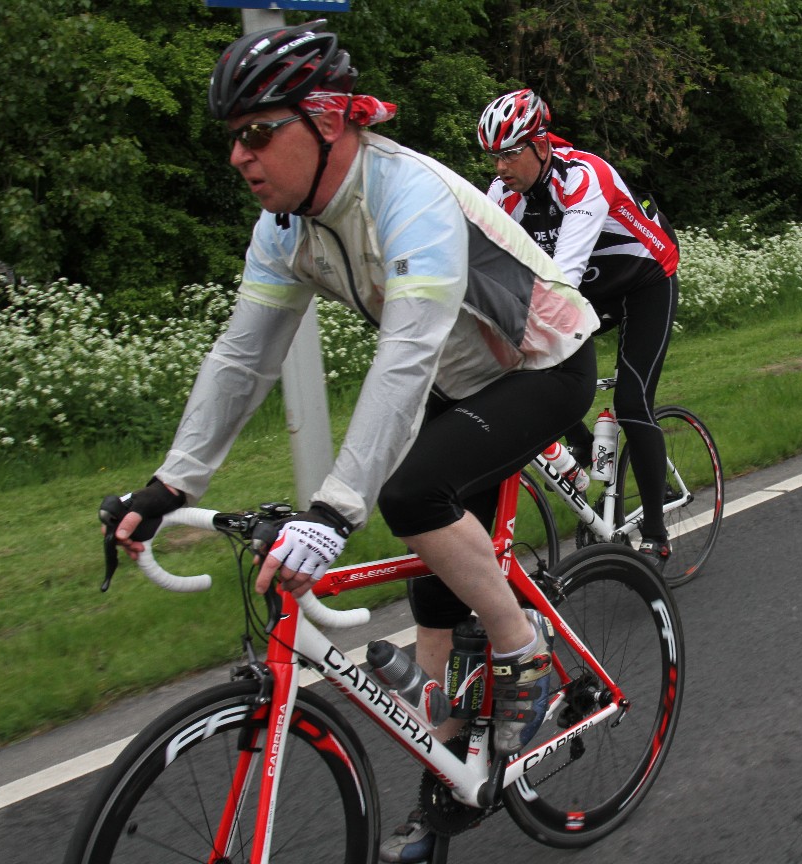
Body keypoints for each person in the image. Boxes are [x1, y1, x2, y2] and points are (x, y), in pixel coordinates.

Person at [100, 22, 599, 863]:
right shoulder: (284, 226)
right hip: (458, 381)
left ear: (328, 120)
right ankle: (450, 781)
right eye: (234, 137)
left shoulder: (409, 197)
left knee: (410, 495)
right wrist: (171, 485)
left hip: (543, 363)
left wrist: (334, 510)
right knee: (432, 587)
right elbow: (243, 357)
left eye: (260, 132)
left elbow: (404, 360)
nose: (240, 156)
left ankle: (524, 651)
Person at [477, 88, 680, 570]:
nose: (500, 168)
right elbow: (489, 269)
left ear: (540, 145)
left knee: (632, 403)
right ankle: (586, 446)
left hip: (645, 281)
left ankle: (656, 534)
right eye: (493, 157)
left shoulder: (585, 177)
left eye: (510, 153)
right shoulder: (502, 194)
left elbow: (560, 281)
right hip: (595, 289)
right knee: (529, 370)